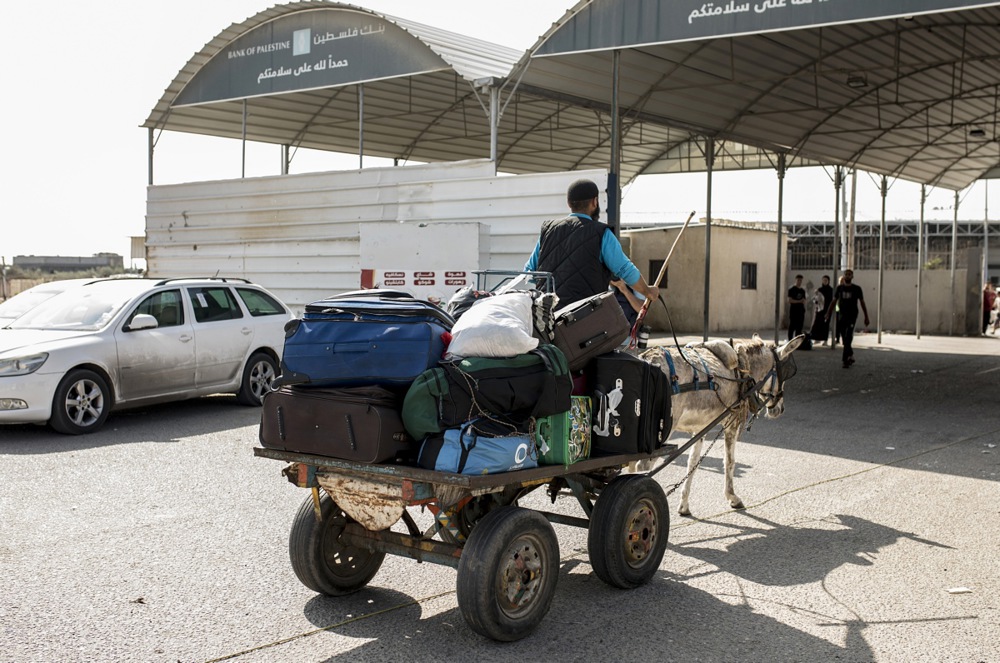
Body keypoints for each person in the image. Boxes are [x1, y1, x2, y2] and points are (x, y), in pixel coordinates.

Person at [524, 178, 659, 306]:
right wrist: (648, 292)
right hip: (585, 316)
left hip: (547, 315)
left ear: (569, 203)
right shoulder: (601, 233)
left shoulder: (548, 230)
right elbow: (625, 270)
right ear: (595, 202)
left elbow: (529, 272)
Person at [825, 269, 870, 368]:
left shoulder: (857, 289)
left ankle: (845, 360)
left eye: (849, 274)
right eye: (846, 274)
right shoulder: (839, 288)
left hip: (852, 315)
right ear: (844, 276)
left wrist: (866, 316)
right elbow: (833, 301)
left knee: (849, 335)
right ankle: (850, 355)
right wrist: (828, 313)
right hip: (842, 315)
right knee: (844, 338)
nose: (848, 276)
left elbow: (862, 303)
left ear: (852, 276)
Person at [809, 275, 834, 345]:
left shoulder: (831, 290)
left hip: (827, 310)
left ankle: (825, 340)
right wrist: (816, 301)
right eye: (823, 280)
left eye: (826, 280)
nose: (825, 281)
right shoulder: (819, 290)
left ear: (828, 281)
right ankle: (817, 339)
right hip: (819, 310)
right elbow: (815, 299)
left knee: (825, 325)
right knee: (817, 324)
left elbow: (832, 300)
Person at [787, 274, 806, 340]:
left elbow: (804, 300)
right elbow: (790, 300)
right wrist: (799, 301)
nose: (799, 282)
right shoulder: (791, 289)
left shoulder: (802, 290)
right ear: (796, 280)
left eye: (800, 280)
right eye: (798, 280)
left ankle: (797, 341)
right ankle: (790, 340)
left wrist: (802, 301)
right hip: (794, 310)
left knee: (799, 327)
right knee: (792, 326)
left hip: (801, 311)